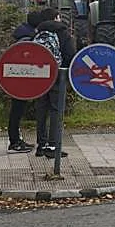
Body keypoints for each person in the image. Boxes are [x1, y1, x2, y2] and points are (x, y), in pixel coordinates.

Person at [33, 8, 76, 159]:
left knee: (41, 110)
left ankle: (41, 145)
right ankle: (53, 146)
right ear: (56, 17)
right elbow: (71, 54)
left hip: (39, 77)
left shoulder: (37, 33)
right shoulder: (64, 33)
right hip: (58, 76)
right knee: (56, 111)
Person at [6, 9, 43, 153]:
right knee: (17, 110)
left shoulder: (22, 33)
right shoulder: (28, 38)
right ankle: (15, 141)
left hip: (16, 79)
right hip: (20, 80)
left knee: (17, 110)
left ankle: (16, 140)